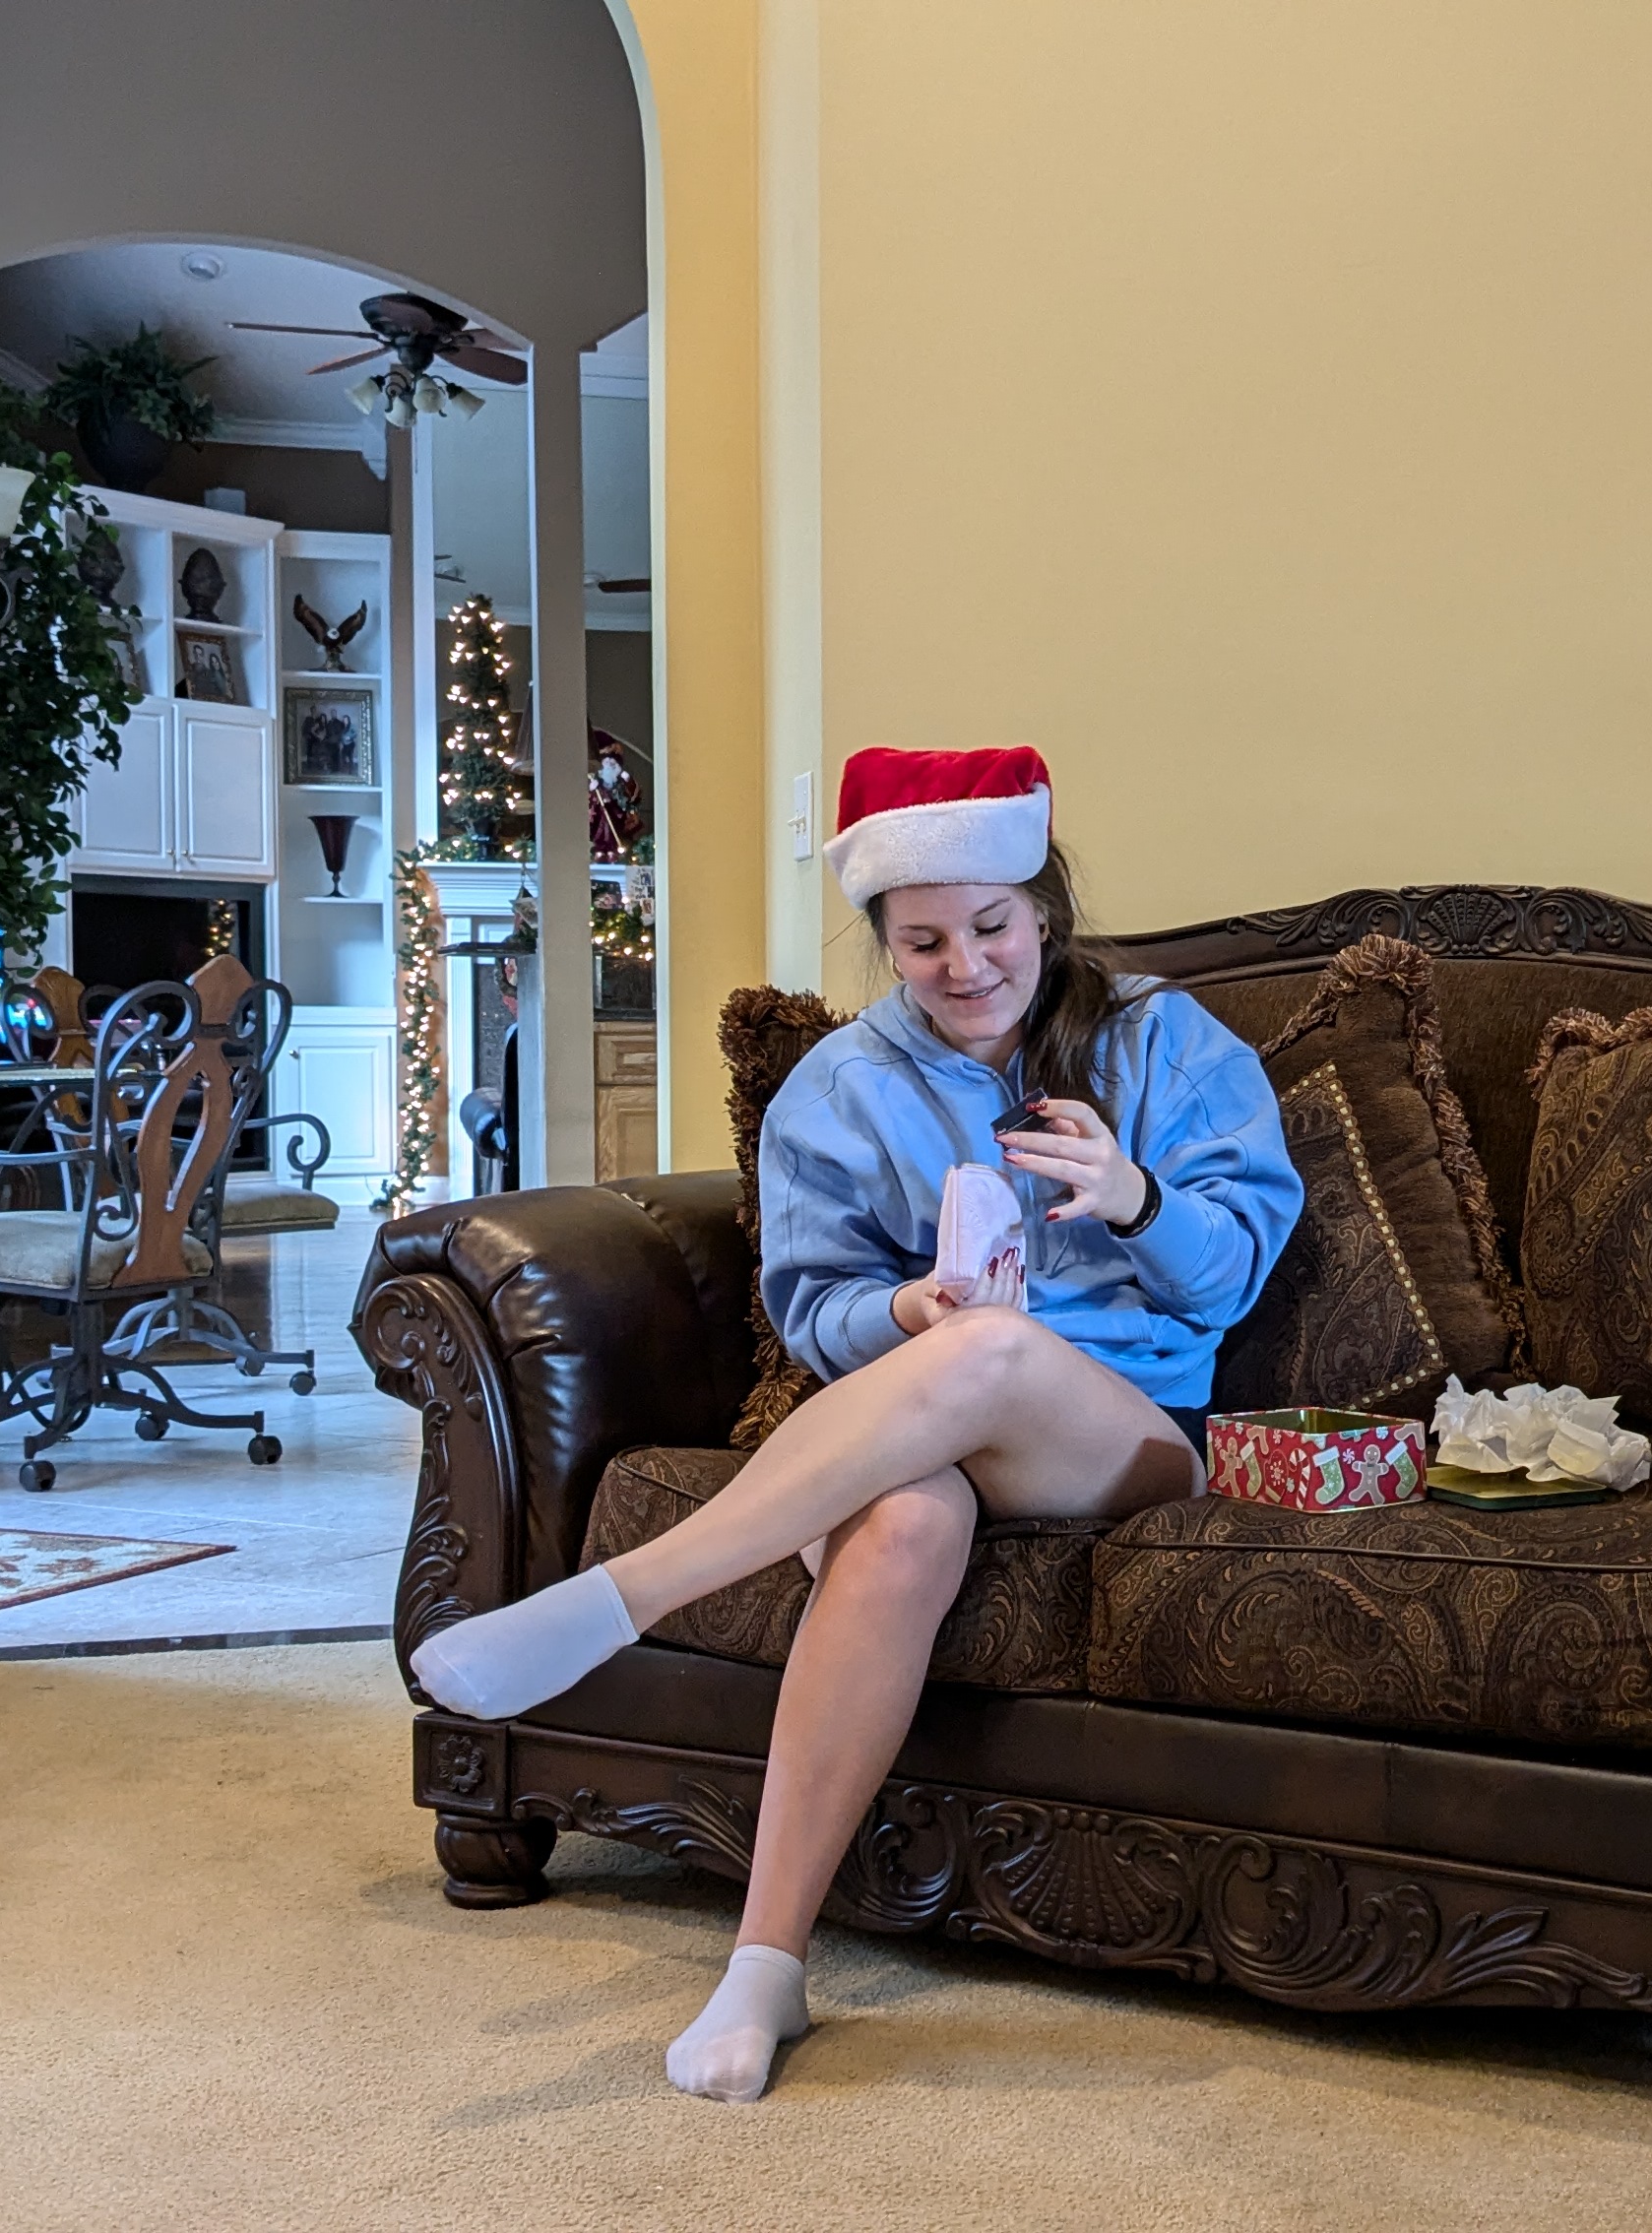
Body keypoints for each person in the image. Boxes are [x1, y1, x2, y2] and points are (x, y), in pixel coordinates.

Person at [408, 743, 1303, 2105]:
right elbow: (812, 1308)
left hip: (1125, 1439)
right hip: (920, 1425)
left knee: (994, 1351)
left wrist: (1134, 1197)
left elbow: (1231, 1281)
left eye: (992, 929)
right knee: (895, 1527)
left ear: (1044, 909)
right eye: (924, 943)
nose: (966, 967)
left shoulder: (1167, 1043)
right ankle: (764, 1967)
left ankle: (623, 1597)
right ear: (884, 938)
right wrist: (905, 1312)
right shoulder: (838, 1086)